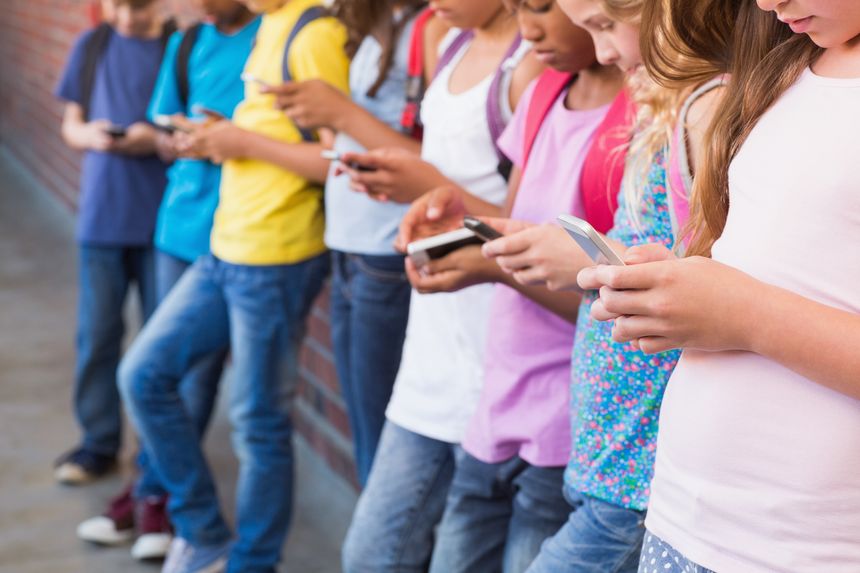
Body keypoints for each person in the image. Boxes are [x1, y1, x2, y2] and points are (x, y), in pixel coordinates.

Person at [578, 0, 860, 571]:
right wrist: (681, 286)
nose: (765, 3)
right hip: (684, 517)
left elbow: (752, 303)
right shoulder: (786, 65)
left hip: (808, 551)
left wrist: (745, 315)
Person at [473, 0, 728, 569]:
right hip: (605, 458)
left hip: (639, 473)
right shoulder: (661, 107)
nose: (604, 50)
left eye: (608, 26)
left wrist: (590, 268)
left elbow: (713, 283)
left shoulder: (708, 109)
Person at [117, 0, 350, 570]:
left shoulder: (312, 31)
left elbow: (342, 160)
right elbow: (269, 133)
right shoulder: (269, 24)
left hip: (276, 259)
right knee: (143, 375)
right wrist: (224, 134)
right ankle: (203, 532)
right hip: (225, 246)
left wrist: (243, 144)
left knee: (258, 424)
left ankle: (253, 560)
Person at [394, 0, 624, 569]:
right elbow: (515, 220)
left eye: (545, 8)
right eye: (519, 7)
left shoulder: (637, 121)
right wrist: (458, 222)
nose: (528, 29)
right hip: (496, 404)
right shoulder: (545, 91)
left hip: (565, 424)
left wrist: (492, 264)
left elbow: (612, 301)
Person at [339, 0, 542, 569]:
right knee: (371, 551)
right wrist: (417, 192)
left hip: (496, 346)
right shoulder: (443, 40)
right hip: (431, 347)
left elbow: (527, 222)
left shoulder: (532, 62)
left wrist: (428, 185)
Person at [74, 0, 259, 561]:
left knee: (191, 383)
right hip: (174, 229)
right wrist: (175, 141)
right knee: (150, 373)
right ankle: (156, 492)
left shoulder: (272, 40)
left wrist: (228, 142)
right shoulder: (187, 43)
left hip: (230, 237)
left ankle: (157, 496)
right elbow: (161, 130)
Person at [269, 0, 426, 487]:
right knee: (364, 420)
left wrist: (340, 111)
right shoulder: (377, 23)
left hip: (386, 247)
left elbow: (430, 157)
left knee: (379, 431)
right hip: (349, 239)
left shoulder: (430, 27)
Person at [54, 0, 171, 485]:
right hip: (102, 217)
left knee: (156, 344)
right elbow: (71, 126)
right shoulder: (94, 42)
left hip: (161, 222)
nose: (126, 17)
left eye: (138, 6)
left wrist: (154, 139)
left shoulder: (177, 47)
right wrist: (92, 136)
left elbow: (190, 131)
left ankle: (156, 452)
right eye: (118, 5)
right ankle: (98, 443)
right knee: (98, 334)